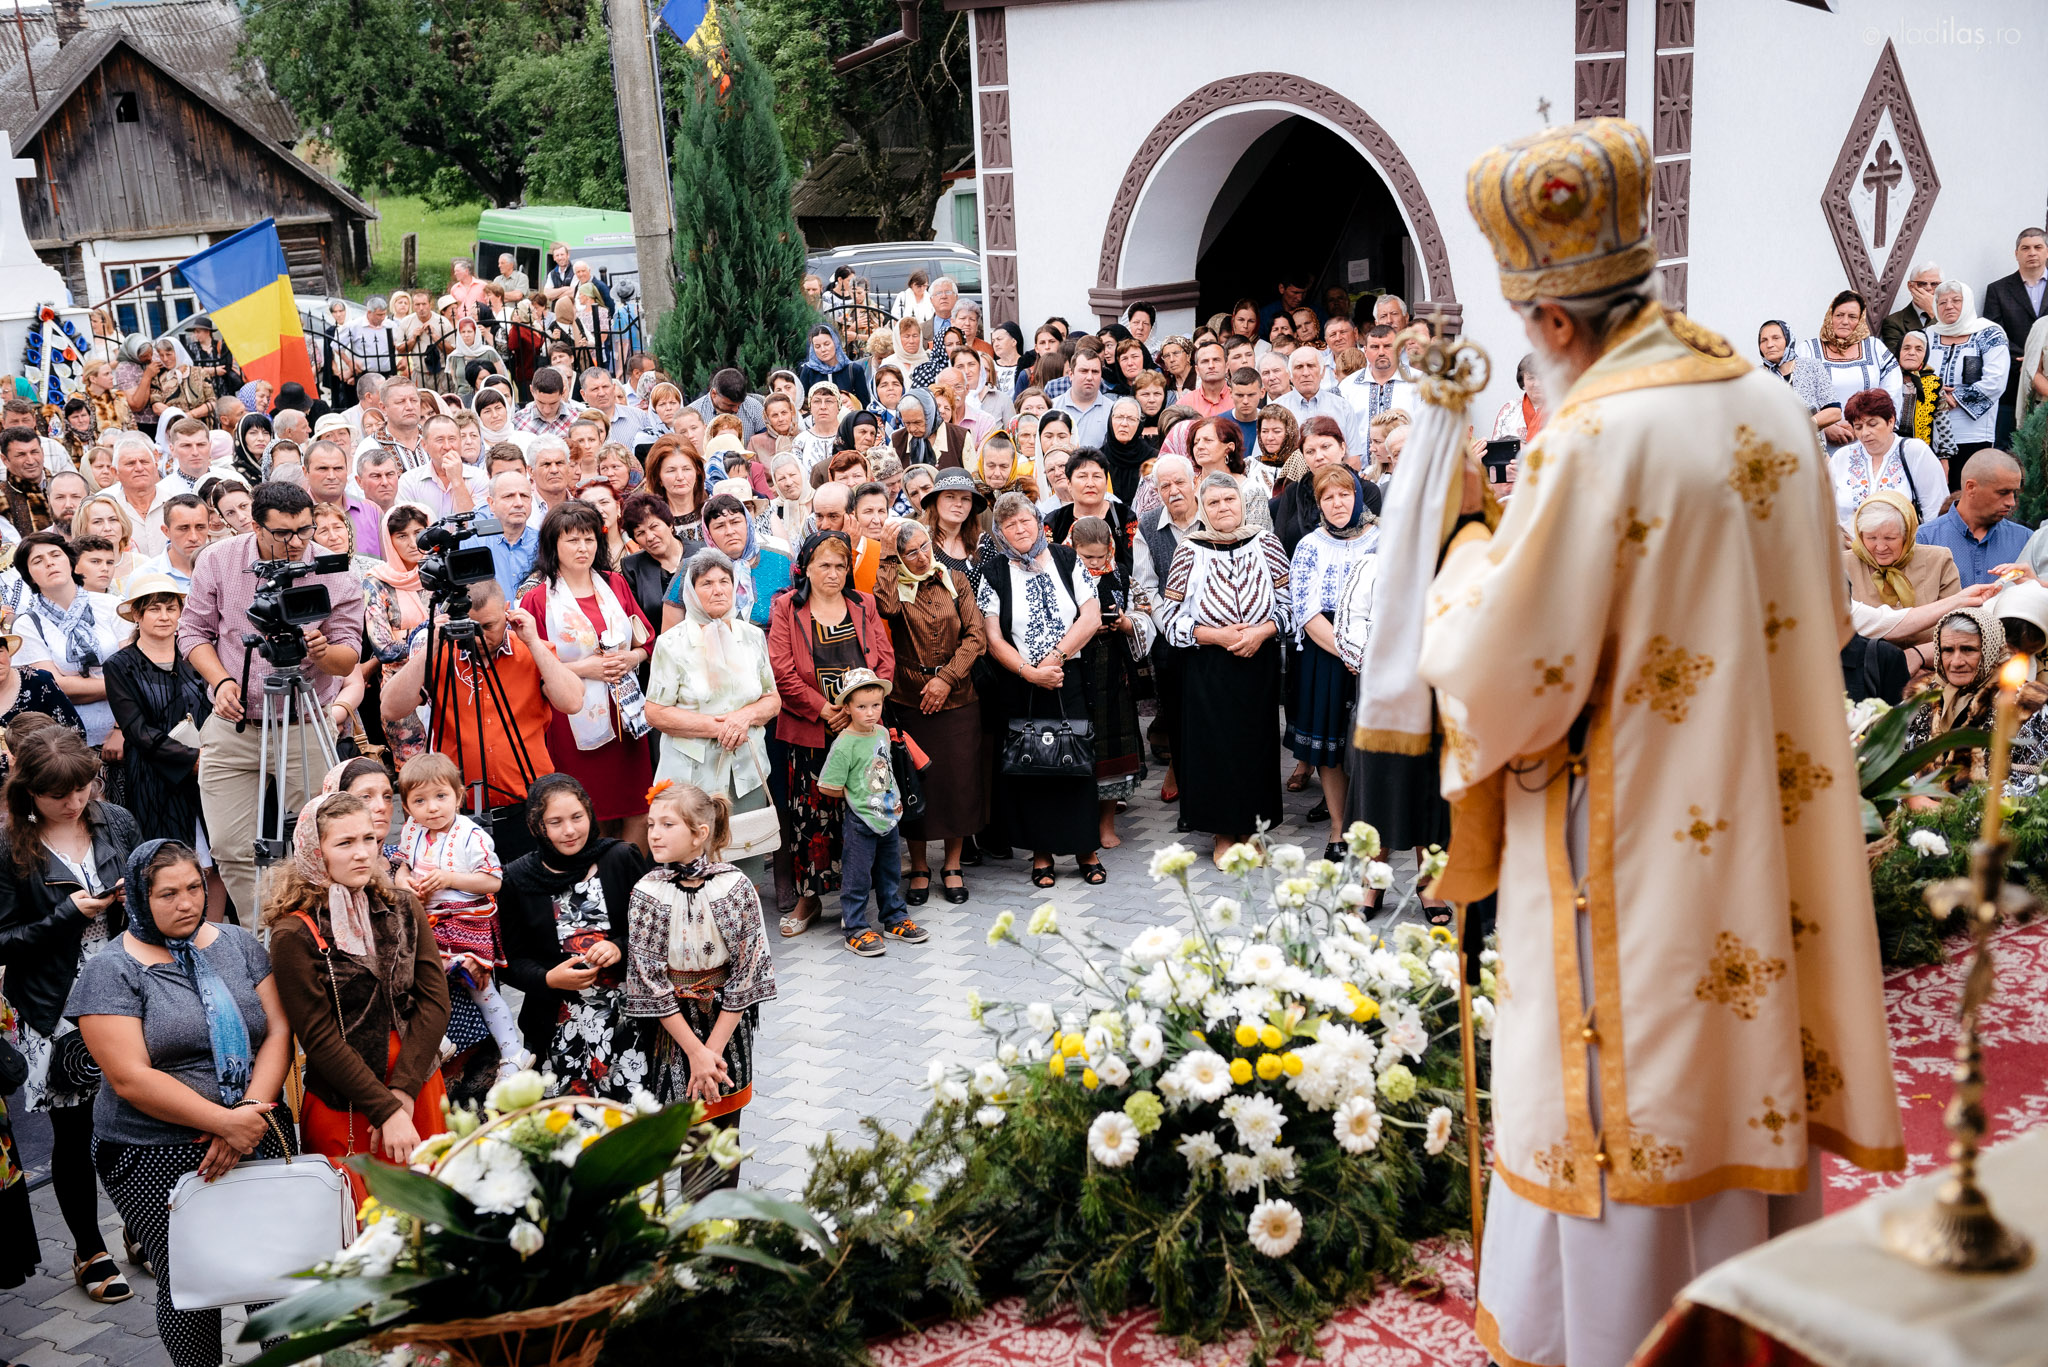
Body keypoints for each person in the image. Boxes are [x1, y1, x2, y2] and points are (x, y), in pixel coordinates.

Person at [1433, 117, 1903, 1367]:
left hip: (1627, 866)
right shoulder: (1766, 404)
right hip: (1755, 852)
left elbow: (1505, 679)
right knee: (1734, 1114)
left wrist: (1461, 556)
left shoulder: (1593, 435)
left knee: (1622, 1131)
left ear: (1550, 321)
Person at [69, 837, 291, 1367]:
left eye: (194, 887)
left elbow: (278, 1031)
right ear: (137, 900)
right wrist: (223, 1122)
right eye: (168, 894)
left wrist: (246, 1120)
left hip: (256, 1127)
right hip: (152, 1151)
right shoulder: (112, 970)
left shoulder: (236, 943)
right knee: (190, 1281)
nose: (187, 903)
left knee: (275, 1271)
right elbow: (129, 1078)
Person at [183, 482, 363, 924]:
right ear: (255, 524)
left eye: (305, 529)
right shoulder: (219, 559)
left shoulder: (335, 569)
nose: (298, 542)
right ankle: (262, 939)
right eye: (284, 533)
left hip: (306, 720)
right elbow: (192, 633)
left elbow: (348, 656)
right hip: (236, 723)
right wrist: (222, 680)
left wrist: (321, 652)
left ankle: (322, 938)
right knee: (230, 846)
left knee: (323, 839)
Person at [0, 728, 138, 1303]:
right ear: (30, 792)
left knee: (138, 1121)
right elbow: (5, 940)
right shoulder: (9, 848)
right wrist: (66, 916)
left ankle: (143, 1227)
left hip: (127, 993)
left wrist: (139, 903)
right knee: (75, 1131)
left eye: (83, 787)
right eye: (60, 794)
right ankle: (88, 1247)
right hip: (54, 1009)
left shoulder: (117, 821)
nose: (76, 801)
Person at [265, 789, 450, 1199]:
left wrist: (402, 1093)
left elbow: (435, 1001)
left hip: (417, 1077)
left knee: (430, 1217)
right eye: (345, 843)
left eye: (369, 839)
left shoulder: (403, 906)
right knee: (360, 1226)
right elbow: (318, 1037)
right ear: (316, 851)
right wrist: (383, 1108)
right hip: (346, 1098)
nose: (362, 853)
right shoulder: (293, 933)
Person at [621, 780, 775, 1177]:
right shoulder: (647, 891)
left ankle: (720, 1224)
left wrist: (712, 1052)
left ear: (699, 834)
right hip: (673, 1030)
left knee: (724, 1138)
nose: (653, 832)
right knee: (689, 1137)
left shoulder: (734, 886)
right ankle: (692, 1229)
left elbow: (747, 973)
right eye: (651, 823)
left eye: (667, 824)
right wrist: (695, 1052)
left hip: (725, 1023)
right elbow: (648, 980)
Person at [379, 580, 586, 856]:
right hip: (458, 812)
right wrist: (432, 645)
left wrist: (533, 641)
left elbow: (572, 702)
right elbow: (391, 708)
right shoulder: (442, 654)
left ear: (507, 612)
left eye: (488, 626)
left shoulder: (529, 649)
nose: (479, 637)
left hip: (529, 805)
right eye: (471, 627)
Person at [765, 532, 895, 937]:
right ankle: (810, 898)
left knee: (863, 811)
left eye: (841, 565)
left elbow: (884, 661)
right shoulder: (787, 607)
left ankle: (859, 899)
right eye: (824, 565)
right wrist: (824, 710)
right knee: (811, 818)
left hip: (862, 733)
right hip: (811, 732)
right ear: (806, 567)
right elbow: (781, 669)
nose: (834, 574)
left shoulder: (863, 604)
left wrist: (862, 713)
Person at [1158, 473, 1289, 862]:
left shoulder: (1267, 543)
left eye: (1229, 500)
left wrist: (1261, 633)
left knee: (1256, 746)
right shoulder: (1189, 549)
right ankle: (1222, 835)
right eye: (1213, 503)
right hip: (1209, 666)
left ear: (1242, 503)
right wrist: (1215, 636)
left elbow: (1290, 605)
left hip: (1257, 661)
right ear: (1203, 509)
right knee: (1214, 748)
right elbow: (1168, 616)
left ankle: (1253, 831)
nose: (1223, 508)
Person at [976, 494, 1104, 886]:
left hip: (1068, 679)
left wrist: (1056, 658)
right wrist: (1030, 672)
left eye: (1026, 520)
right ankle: (1042, 853)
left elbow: (1092, 616)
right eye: (1010, 524)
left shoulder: (1068, 560)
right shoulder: (993, 571)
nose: (1020, 529)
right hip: (1022, 684)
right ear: (1000, 531)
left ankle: (1086, 848)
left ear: (1038, 521)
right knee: (1032, 765)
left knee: (1077, 761)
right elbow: (993, 637)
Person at [496, 773, 652, 1093]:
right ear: (536, 826)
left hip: (631, 1023)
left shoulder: (620, 858)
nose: (569, 830)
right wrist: (548, 979)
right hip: (558, 1031)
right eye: (555, 822)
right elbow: (509, 958)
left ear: (590, 814)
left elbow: (654, 932)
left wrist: (620, 948)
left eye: (577, 817)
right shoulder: (517, 879)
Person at [519, 502, 655, 848]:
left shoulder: (616, 586)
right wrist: (584, 669)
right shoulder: (536, 600)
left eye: (589, 539)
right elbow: (531, 665)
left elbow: (647, 641)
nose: (583, 548)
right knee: (587, 806)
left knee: (637, 802)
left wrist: (630, 658)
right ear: (553, 546)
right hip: (572, 717)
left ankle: (631, 878)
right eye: (572, 541)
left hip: (625, 711)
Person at [644, 549, 781, 887]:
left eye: (725, 581)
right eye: (707, 583)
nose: (718, 590)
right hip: (692, 772)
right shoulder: (671, 644)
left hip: (746, 770)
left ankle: (741, 928)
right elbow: (656, 712)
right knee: (692, 863)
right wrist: (720, 727)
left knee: (743, 858)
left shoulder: (752, 637)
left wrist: (745, 717)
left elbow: (771, 699)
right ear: (690, 591)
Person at [873, 517, 986, 906]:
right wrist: (887, 556)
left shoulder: (955, 580)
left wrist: (947, 679)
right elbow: (884, 607)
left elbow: (976, 637)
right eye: (910, 552)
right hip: (910, 699)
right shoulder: (896, 585)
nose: (921, 557)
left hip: (957, 698)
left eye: (925, 547)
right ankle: (919, 866)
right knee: (915, 784)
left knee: (958, 783)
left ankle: (952, 865)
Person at [395, 752, 527, 1078]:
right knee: (411, 973)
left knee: (480, 986)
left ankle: (512, 1051)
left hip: (469, 918)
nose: (433, 807)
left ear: (458, 796)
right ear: (408, 808)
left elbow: (493, 881)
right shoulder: (412, 832)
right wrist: (406, 885)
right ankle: (435, 1038)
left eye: (441, 796)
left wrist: (451, 879)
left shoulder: (471, 836)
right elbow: (403, 867)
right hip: (429, 917)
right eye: (420, 801)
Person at [1285, 465, 1378, 857]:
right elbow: (1306, 611)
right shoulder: (1310, 545)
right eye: (1328, 497)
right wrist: (1348, 653)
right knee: (1330, 744)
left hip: (1378, 650)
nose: (1337, 503)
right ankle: (1339, 828)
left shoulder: (1384, 538)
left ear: (1356, 495)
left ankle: (1373, 828)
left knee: (1372, 745)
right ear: (1319, 504)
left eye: (1344, 494)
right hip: (1327, 653)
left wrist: (1369, 654)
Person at [815, 669, 925, 957]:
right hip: (861, 819)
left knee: (890, 870)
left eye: (875, 705)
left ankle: (894, 918)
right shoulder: (845, 743)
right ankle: (855, 928)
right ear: (847, 707)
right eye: (861, 707)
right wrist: (858, 797)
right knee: (857, 875)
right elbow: (829, 786)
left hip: (889, 815)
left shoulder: (880, 733)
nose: (870, 713)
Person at [104, 575, 213, 854]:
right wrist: (192, 759)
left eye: (171, 608)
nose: (164, 616)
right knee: (170, 856)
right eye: (154, 609)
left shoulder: (197, 655)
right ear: (137, 615)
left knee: (218, 854)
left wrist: (210, 755)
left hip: (210, 767)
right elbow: (136, 729)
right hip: (154, 774)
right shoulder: (120, 665)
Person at [13, 531, 126, 770]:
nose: (49, 562)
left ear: (71, 562)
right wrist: (119, 685)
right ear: (30, 576)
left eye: (56, 554)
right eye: (37, 560)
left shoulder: (110, 606)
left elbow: (137, 670)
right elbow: (55, 687)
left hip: (126, 730)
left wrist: (121, 727)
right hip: (69, 745)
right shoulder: (28, 623)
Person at [1843, 491, 1960, 648]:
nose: (1881, 547)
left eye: (1890, 538)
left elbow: (1956, 628)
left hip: (1929, 667)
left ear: (1908, 535)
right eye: (1871, 538)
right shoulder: (1842, 565)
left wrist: (1919, 657)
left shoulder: (1938, 561)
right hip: (1865, 668)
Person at [1925, 281, 2011, 481]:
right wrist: (1933, 393)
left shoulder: (1988, 333)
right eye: (1942, 302)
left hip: (1974, 432)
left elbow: (1995, 380)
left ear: (1968, 303)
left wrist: (1955, 398)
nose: (1949, 306)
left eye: (1956, 300)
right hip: (1930, 431)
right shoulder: (1928, 335)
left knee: (1967, 489)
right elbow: (1913, 372)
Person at [1826, 388, 1946, 526]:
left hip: (1906, 546)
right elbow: (1824, 508)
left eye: (1872, 424)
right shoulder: (1842, 457)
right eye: (1858, 427)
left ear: (1891, 422)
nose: (1865, 433)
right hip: (1849, 546)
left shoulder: (1915, 451)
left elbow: (1935, 511)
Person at [1804, 290, 1903, 454]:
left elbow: (1892, 391)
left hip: (1867, 441)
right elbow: (1798, 393)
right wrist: (1824, 426)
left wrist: (1862, 425)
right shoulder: (1808, 350)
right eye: (1839, 315)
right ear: (1830, 316)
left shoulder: (1875, 349)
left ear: (1860, 320)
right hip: (1821, 444)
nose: (1844, 321)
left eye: (1852, 317)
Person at [1919, 447, 2030, 586]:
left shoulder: (2026, 540)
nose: (2011, 502)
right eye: (2003, 492)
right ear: (1971, 487)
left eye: (2014, 492)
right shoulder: (1925, 540)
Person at [1981, 227, 2048, 444]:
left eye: (2038, 247)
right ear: (2016, 254)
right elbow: (1994, 334)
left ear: (2046, 251)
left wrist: (2038, 362)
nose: (2032, 252)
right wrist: (2026, 361)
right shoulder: (1998, 290)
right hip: (2011, 381)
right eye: (2025, 248)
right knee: (2009, 447)